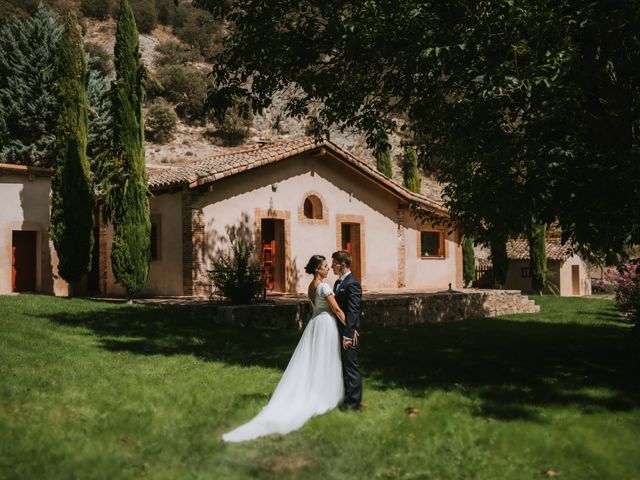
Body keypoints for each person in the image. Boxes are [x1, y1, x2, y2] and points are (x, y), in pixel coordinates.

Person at [222, 255, 346, 442]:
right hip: (325, 324)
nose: (328, 269)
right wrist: (351, 326)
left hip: (314, 324)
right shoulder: (324, 287)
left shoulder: (311, 286)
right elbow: (336, 310)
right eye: (325, 266)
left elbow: (315, 308)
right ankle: (325, 396)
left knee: (315, 359)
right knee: (326, 358)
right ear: (317, 269)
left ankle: (318, 390)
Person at [331, 250, 363, 411]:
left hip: (348, 334)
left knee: (351, 368)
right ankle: (345, 398)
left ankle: (354, 405)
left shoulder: (352, 284)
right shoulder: (338, 283)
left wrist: (349, 334)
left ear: (342, 265)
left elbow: (353, 311)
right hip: (338, 330)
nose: (331, 266)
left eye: (334, 263)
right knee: (343, 367)